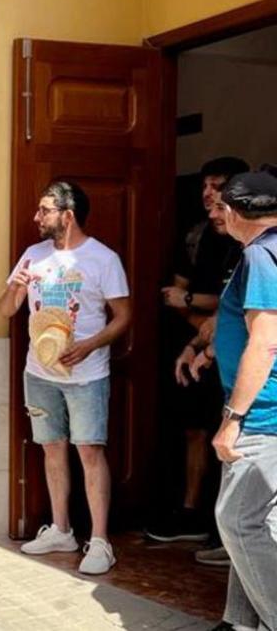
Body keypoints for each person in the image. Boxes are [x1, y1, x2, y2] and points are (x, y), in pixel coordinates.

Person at [0, 181, 131, 575]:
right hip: (38, 374)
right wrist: (15, 289)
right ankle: (61, 529)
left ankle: (101, 541)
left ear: (67, 216)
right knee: (51, 448)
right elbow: (6, 310)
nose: (36, 217)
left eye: (45, 210)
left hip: (87, 374)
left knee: (90, 451)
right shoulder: (32, 256)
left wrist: (90, 345)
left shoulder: (103, 259)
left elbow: (124, 317)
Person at [193, 170, 277, 631]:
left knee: (237, 521)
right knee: (260, 524)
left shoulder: (262, 256)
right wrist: (208, 351)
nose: (214, 212)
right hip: (264, 408)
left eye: (219, 206)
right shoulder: (265, 252)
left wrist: (234, 418)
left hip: (263, 412)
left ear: (235, 211)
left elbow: (265, 341)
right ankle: (239, 623)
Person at [149, 157, 246, 545]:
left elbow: (233, 306)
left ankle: (228, 530)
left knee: (232, 436)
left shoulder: (250, 246)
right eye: (205, 186)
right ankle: (194, 514)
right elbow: (175, 297)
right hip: (199, 350)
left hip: (235, 356)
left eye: (218, 186)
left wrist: (197, 306)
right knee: (197, 432)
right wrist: (200, 338)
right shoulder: (196, 236)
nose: (208, 194)